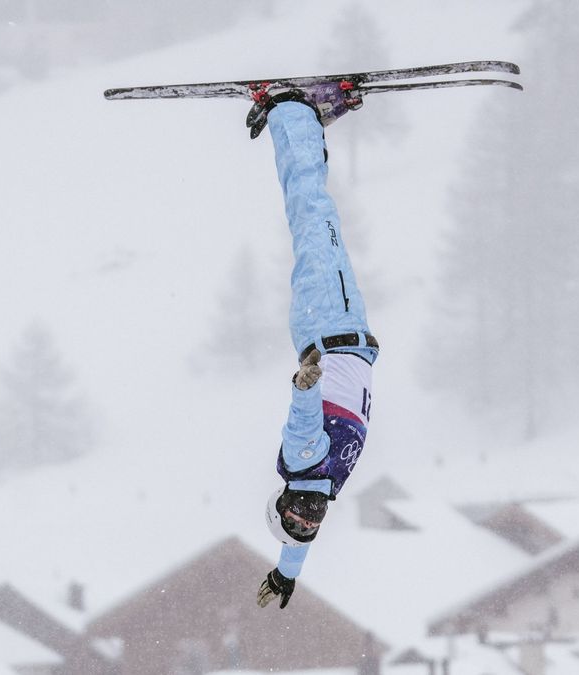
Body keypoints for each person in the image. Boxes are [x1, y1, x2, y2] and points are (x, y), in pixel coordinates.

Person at [247, 84, 380, 610]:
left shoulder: (304, 469)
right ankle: (301, 121)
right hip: (334, 325)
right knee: (310, 215)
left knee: (310, 214)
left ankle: (296, 118)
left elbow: (303, 420)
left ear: (281, 502)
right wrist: (287, 571)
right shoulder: (322, 488)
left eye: (294, 518)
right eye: (308, 526)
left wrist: (306, 384)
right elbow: (304, 535)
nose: (307, 517)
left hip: (329, 326)